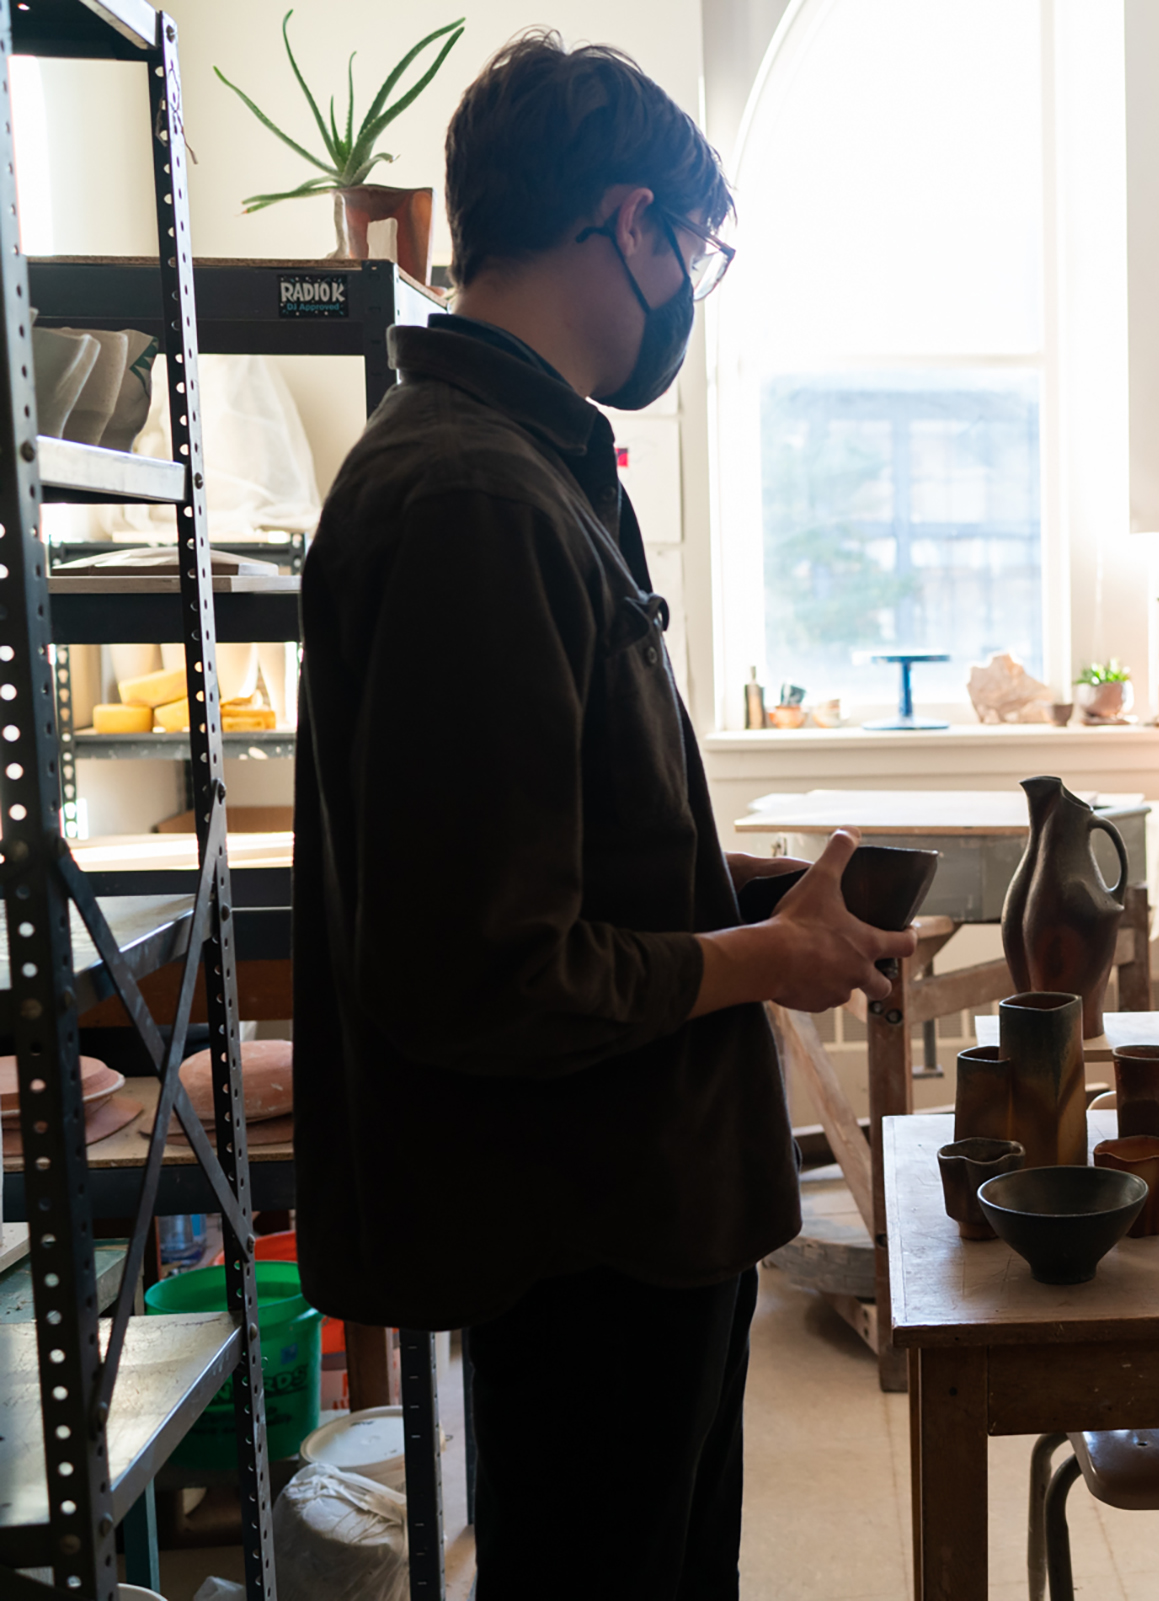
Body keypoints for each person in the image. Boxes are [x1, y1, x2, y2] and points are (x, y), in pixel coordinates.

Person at [292, 34, 913, 1597]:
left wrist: (755, 891)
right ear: (627, 225)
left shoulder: (530, 461)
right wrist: (767, 958)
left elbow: (563, 837)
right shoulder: (475, 497)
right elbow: (494, 966)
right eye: (697, 248)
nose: (697, 285)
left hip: (630, 1211)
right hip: (583, 1224)